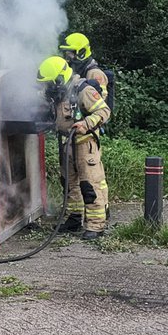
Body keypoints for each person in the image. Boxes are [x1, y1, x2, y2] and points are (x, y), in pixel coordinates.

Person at [37, 55, 110, 239]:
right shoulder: (59, 93)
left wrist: (86, 123)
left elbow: (104, 111)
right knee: (70, 184)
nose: (47, 88)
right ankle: (75, 218)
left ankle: (96, 225)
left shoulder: (83, 90)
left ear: (59, 79)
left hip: (85, 144)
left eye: (49, 83)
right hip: (66, 144)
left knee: (89, 184)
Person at [59, 32, 108, 101]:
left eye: (70, 54)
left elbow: (101, 102)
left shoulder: (95, 74)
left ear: (82, 53)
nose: (68, 58)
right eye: (66, 54)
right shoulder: (77, 69)